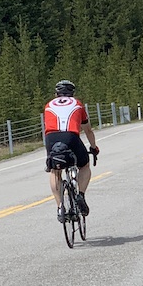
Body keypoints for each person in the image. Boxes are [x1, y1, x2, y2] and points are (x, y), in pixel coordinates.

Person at [43, 80, 99, 222]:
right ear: (72, 93)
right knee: (84, 165)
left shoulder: (49, 105)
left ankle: (60, 206)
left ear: (56, 94)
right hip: (71, 137)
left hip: (51, 138)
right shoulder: (77, 104)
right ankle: (80, 194)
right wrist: (94, 147)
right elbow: (88, 130)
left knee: (55, 171)